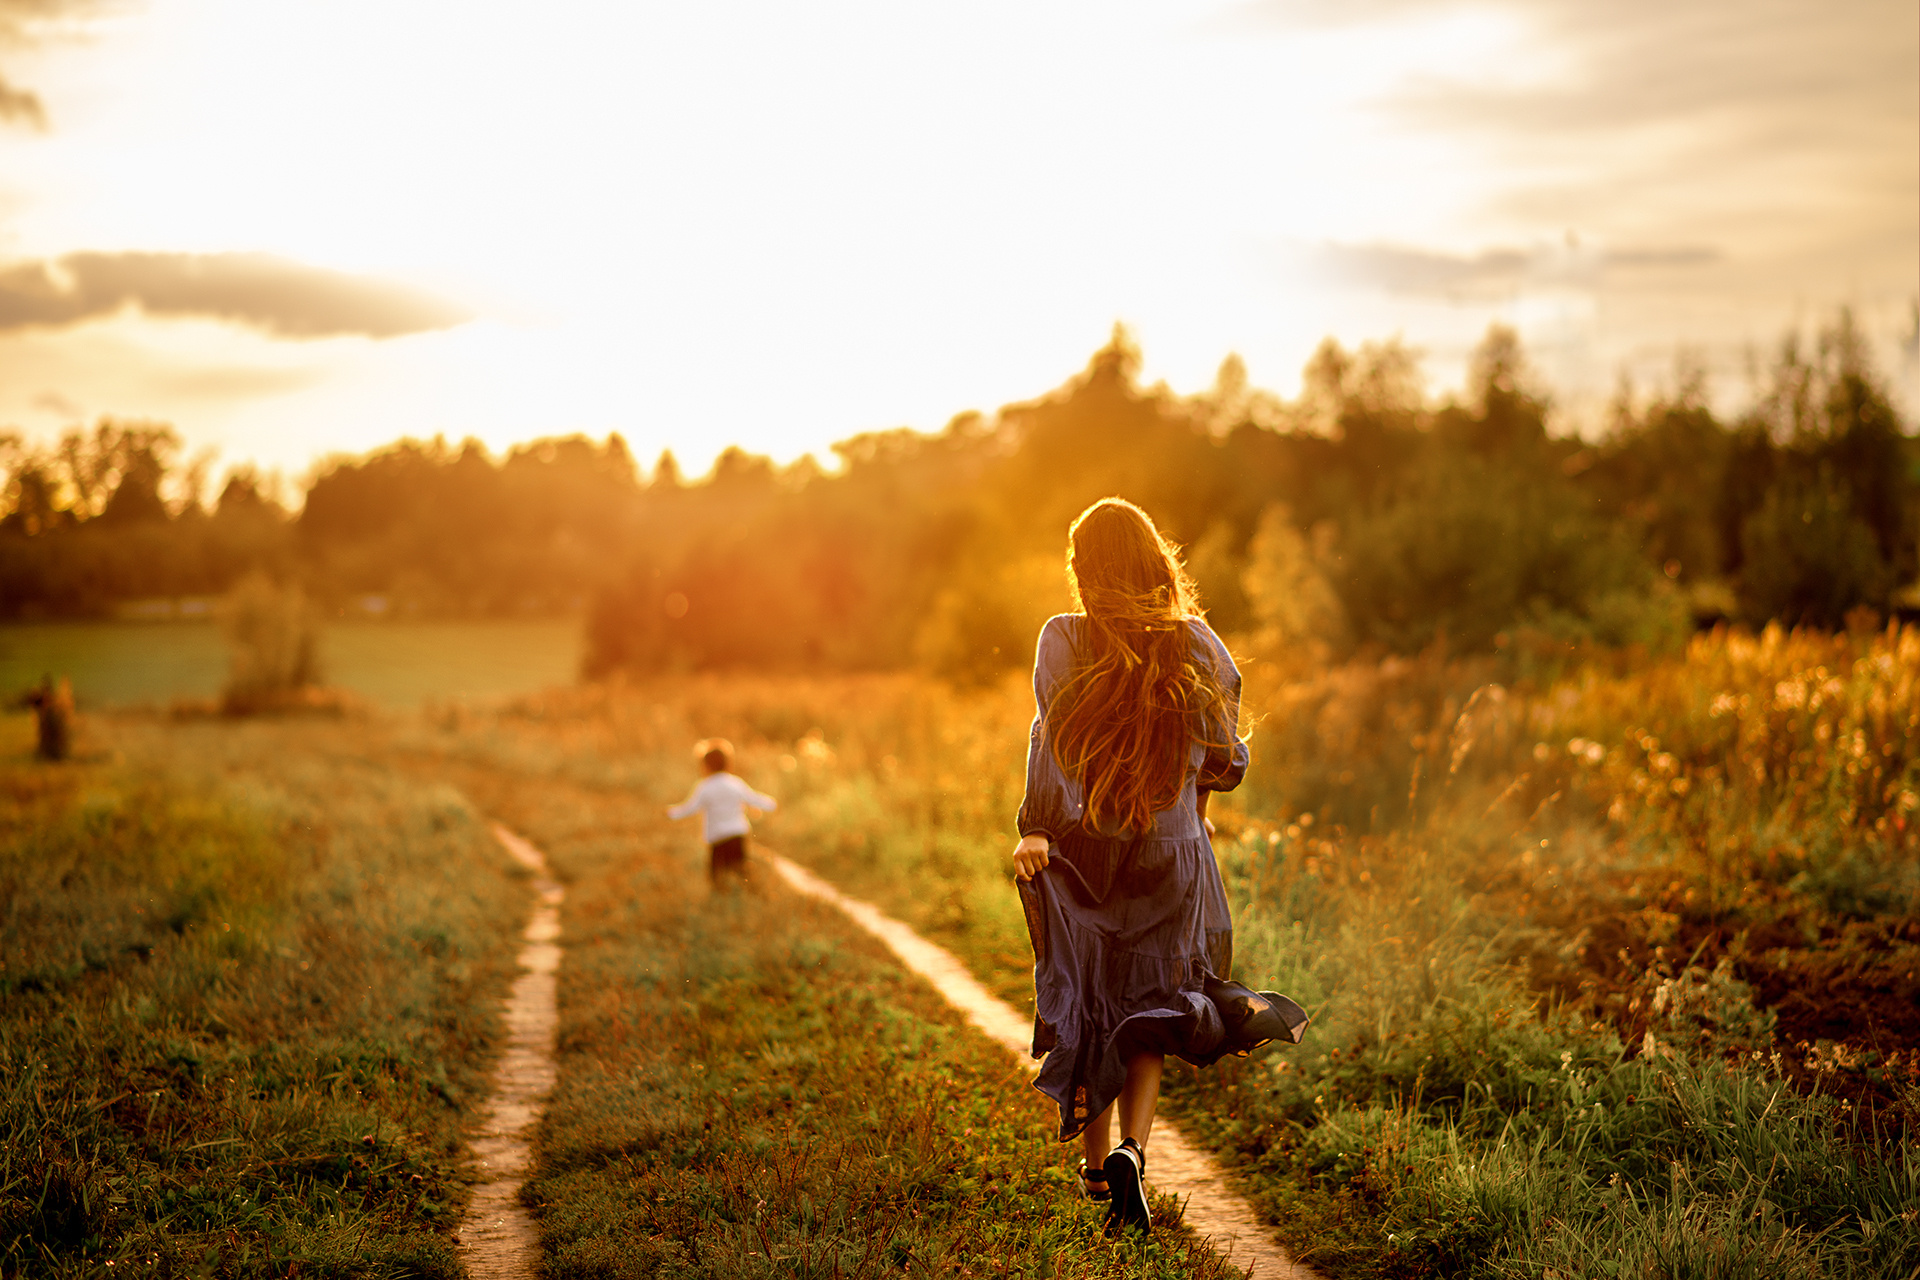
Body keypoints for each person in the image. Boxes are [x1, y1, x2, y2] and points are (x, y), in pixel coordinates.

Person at [1012, 497, 1302, 1237]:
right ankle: (1135, 1154)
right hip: (1175, 851)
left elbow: (1051, 739)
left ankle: (1095, 1165)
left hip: (1086, 849)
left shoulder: (1061, 639)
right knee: (1155, 1008)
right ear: (1153, 561)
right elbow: (1225, 755)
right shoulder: (1198, 642)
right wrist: (1193, 798)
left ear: (1085, 568)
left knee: (1094, 1001)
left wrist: (1037, 828)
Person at [666, 738, 777, 886]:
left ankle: (721, 895)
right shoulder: (734, 783)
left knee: (716, 874)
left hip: (717, 838)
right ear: (728, 763)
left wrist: (671, 813)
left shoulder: (704, 787)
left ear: (705, 766)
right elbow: (753, 798)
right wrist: (771, 804)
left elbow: (690, 808)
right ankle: (750, 889)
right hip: (737, 834)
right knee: (740, 868)